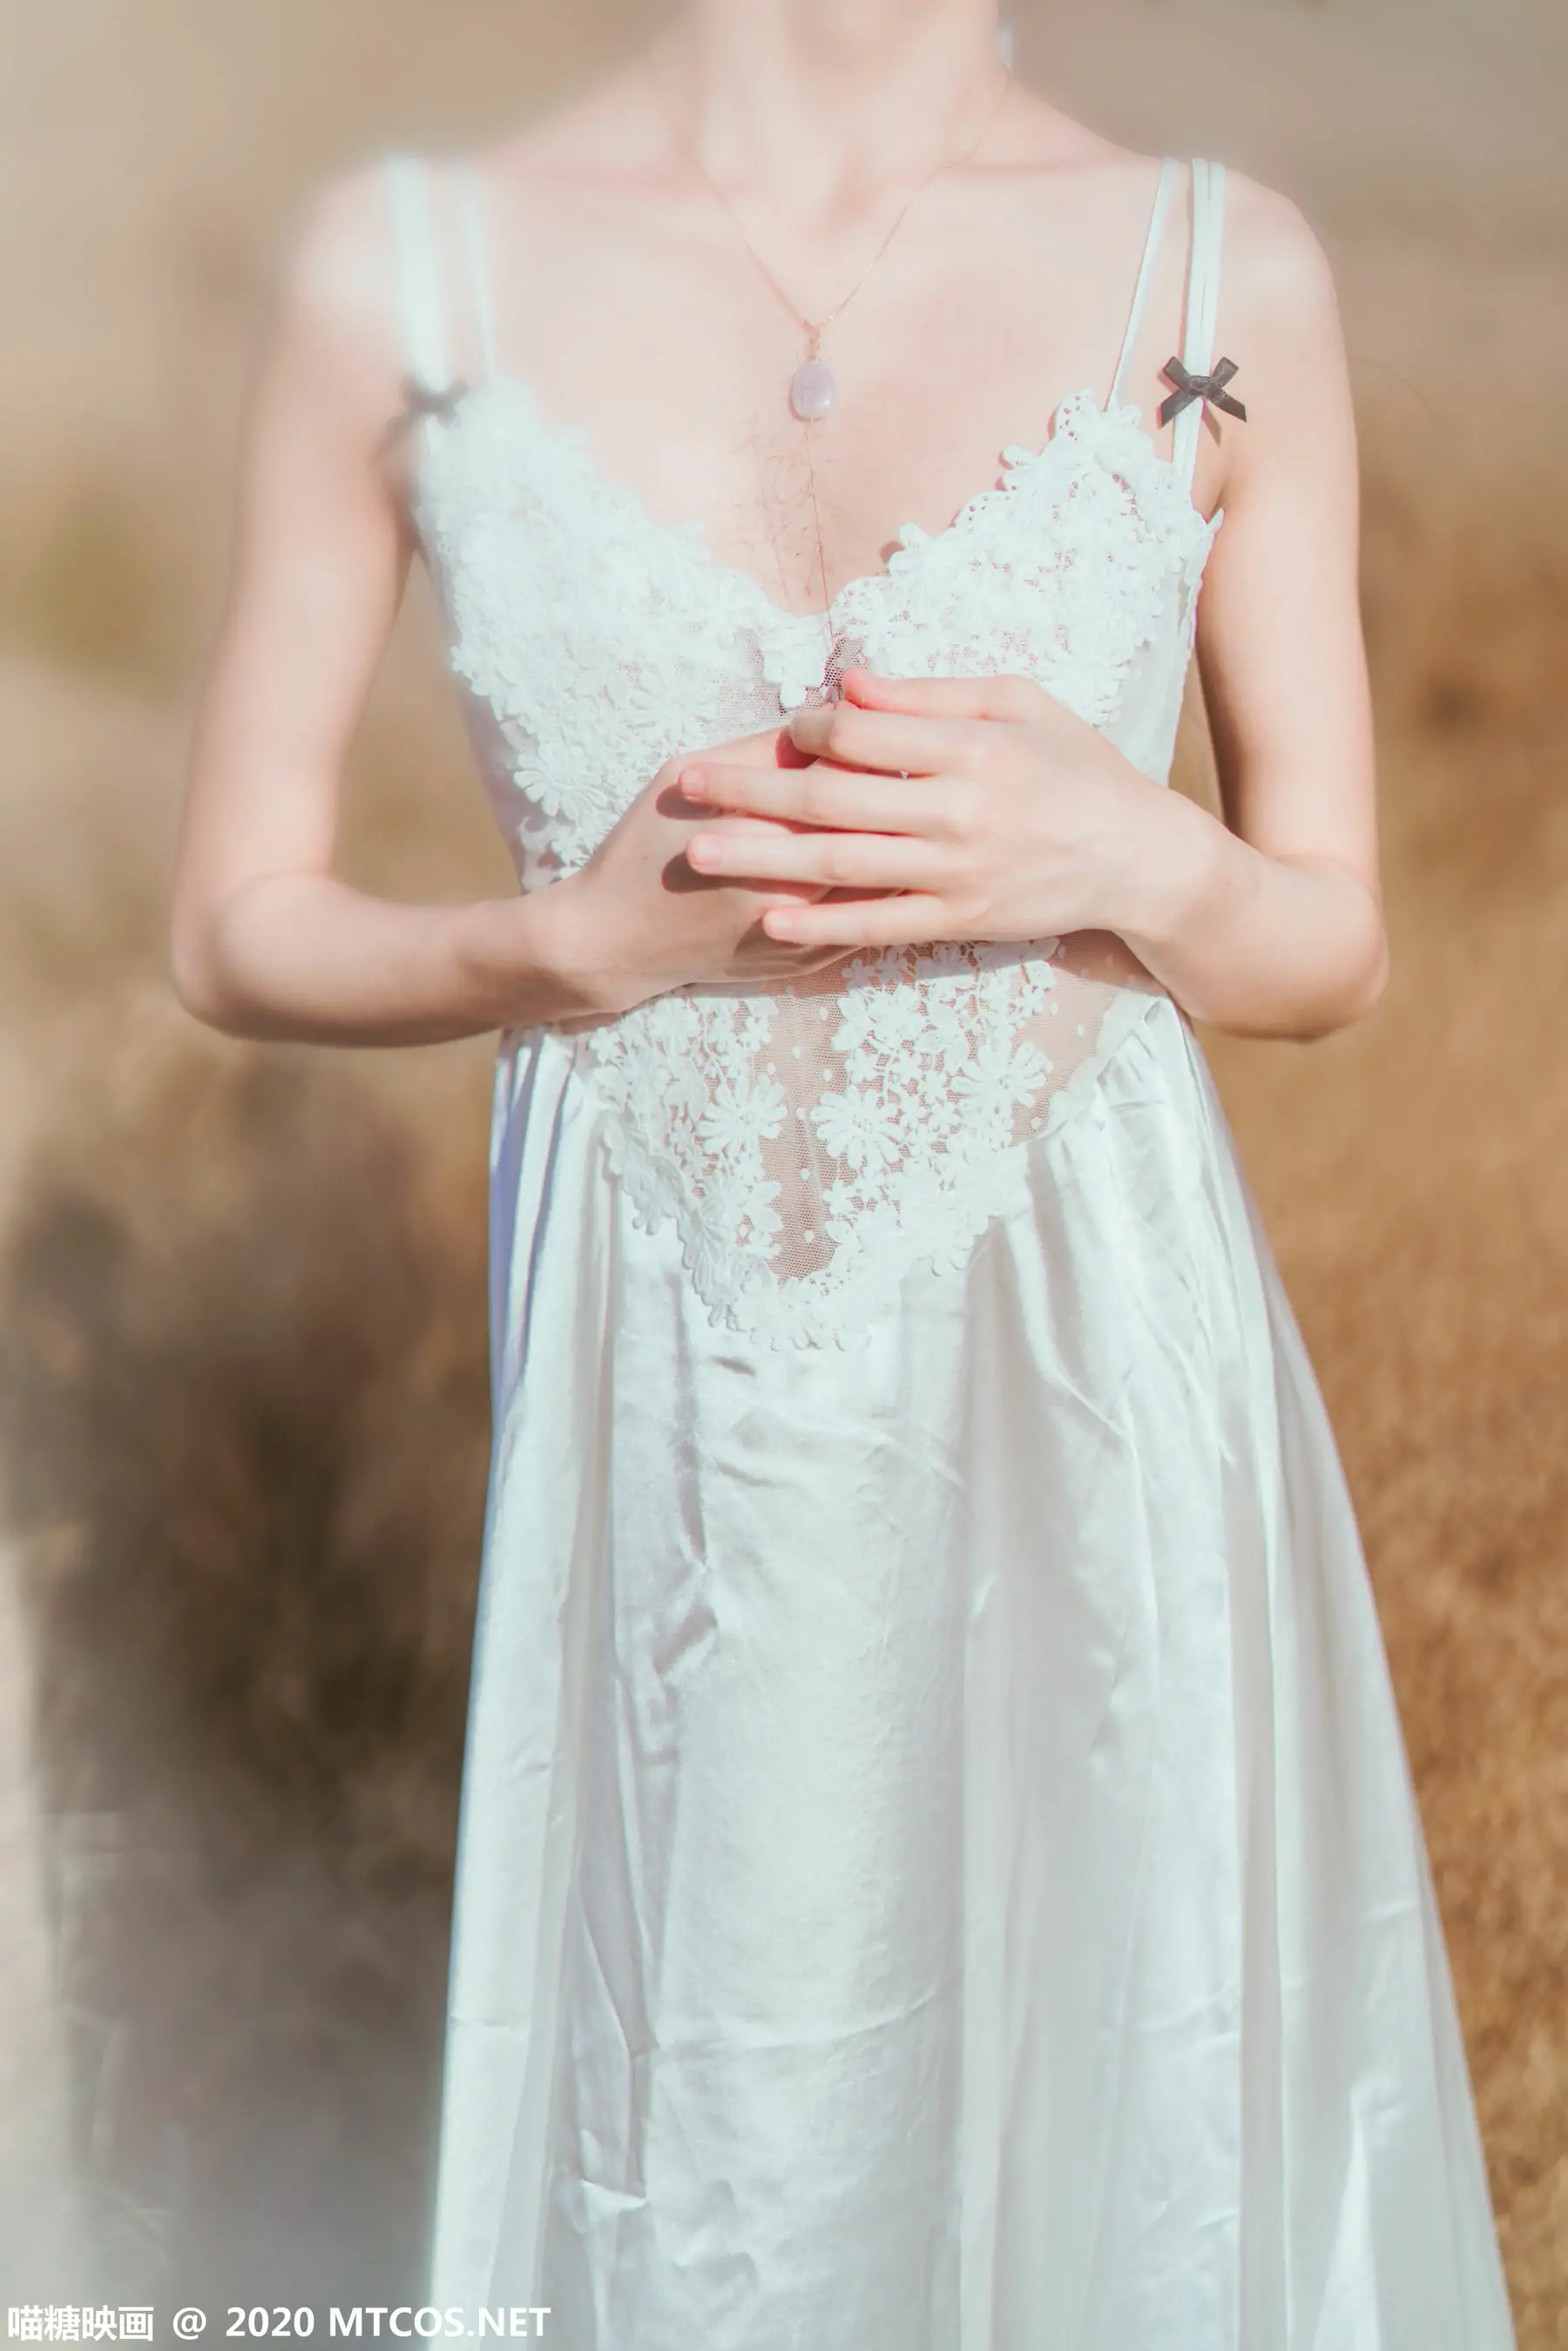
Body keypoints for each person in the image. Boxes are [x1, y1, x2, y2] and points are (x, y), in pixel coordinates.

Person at [171, 1, 1518, 2341]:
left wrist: (1133, 850)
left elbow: (1335, 941)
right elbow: (228, 921)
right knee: (702, 2153)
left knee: (1121, 2141)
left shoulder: (1223, 276)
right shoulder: (405, 275)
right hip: (670, 1415)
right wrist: (562, 947)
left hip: (1101, 1412)